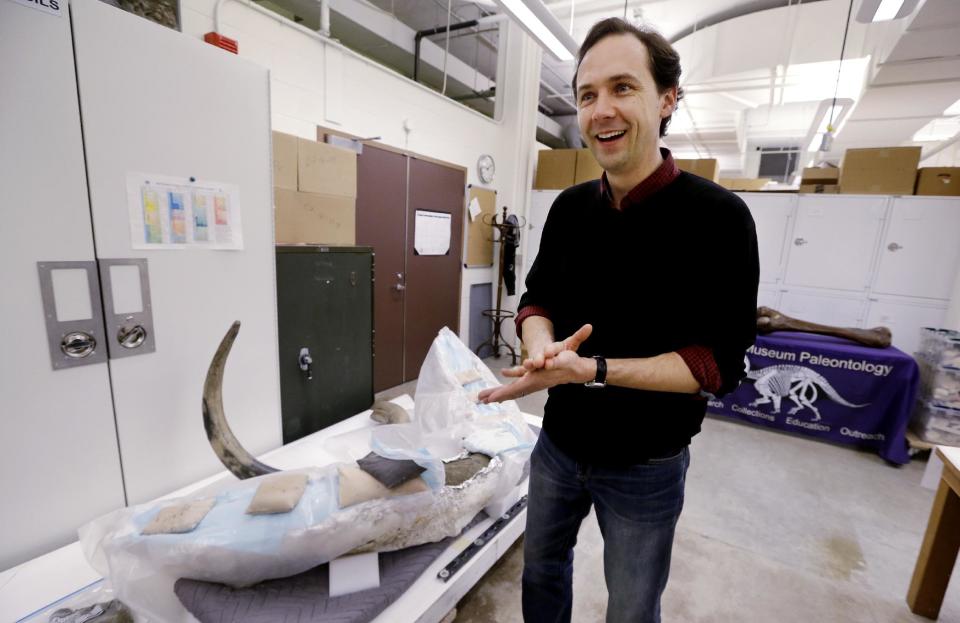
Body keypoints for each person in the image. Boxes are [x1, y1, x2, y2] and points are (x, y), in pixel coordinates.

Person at [478, 17, 760, 623]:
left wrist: (593, 369)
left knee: (632, 605)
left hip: (647, 463)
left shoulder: (719, 218)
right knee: (541, 569)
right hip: (557, 445)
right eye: (587, 95)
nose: (601, 109)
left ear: (666, 100)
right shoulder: (570, 208)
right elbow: (536, 301)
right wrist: (541, 349)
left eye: (622, 88)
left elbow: (715, 364)